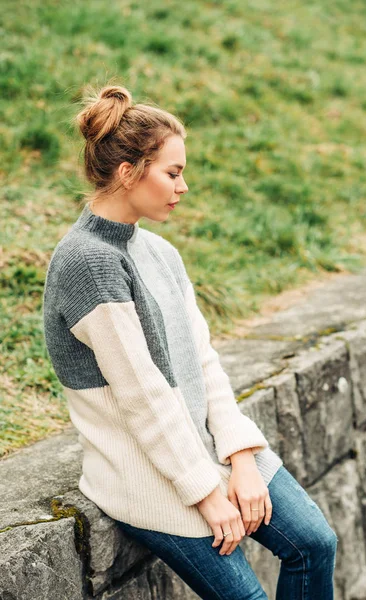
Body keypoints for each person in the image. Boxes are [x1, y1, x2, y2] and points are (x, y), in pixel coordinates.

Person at [42, 84, 338, 599]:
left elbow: (204, 364)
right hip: (149, 475)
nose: (183, 187)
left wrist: (242, 459)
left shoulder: (159, 252)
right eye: (173, 173)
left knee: (315, 544)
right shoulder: (86, 263)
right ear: (127, 171)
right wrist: (206, 493)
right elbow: (142, 398)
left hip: (208, 453)